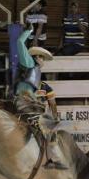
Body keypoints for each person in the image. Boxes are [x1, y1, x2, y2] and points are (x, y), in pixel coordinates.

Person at [15, 24, 66, 170]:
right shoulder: (28, 62)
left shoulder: (36, 73)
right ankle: (53, 159)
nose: (43, 61)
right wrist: (29, 31)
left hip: (27, 103)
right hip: (25, 103)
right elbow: (19, 42)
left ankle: (47, 159)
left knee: (42, 129)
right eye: (42, 57)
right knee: (45, 129)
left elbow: (52, 103)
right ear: (36, 57)